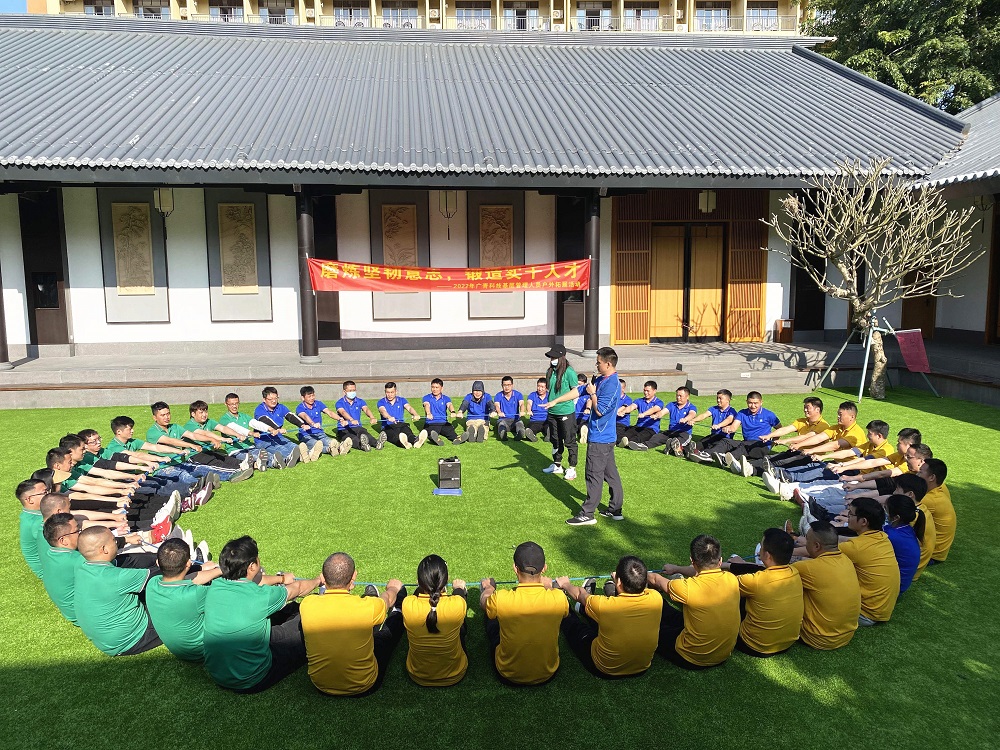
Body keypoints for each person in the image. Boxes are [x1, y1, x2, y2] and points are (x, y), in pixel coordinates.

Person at [203, 535, 321, 693]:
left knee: (292, 609)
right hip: (253, 678)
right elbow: (298, 588)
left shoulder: (215, 587)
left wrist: (281, 578)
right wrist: (319, 580)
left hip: (218, 674)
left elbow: (256, 581)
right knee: (309, 624)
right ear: (252, 566)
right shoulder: (261, 596)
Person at [300, 552, 406, 696]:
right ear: (354, 577)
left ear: (323, 578)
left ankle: (371, 597)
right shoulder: (368, 607)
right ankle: (398, 610)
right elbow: (387, 599)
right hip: (364, 685)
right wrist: (393, 588)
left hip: (320, 685)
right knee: (385, 636)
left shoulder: (307, 604)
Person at [545, 346, 623, 524]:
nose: (596, 365)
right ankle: (615, 509)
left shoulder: (612, 384)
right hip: (604, 438)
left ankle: (587, 513)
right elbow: (579, 391)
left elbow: (600, 410)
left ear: (608, 364)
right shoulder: (601, 379)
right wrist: (555, 401)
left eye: (598, 362)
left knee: (593, 474)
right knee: (611, 474)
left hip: (601, 438)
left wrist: (593, 393)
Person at [555, 555, 662, 678]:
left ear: (619, 582)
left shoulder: (606, 606)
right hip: (642, 668)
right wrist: (622, 579)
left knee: (576, 627)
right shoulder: (656, 598)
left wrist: (565, 584)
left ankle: (572, 606)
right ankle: (584, 609)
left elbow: (580, 594)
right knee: (608, 619)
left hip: (604, 669)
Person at [480, 541, 568, 686]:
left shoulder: (501, 598)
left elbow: (484, 602)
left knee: (491, 617)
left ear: (515, 568)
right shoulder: (558, 598)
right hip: (548, 673)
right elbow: (563, 611)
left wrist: (489, 588)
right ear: (544, 568)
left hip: (508, 674)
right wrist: (549, 587)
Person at [646, 534, 740, 669]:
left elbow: (656, 579)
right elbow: (698, 572)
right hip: (723, 655)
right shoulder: (732, 579)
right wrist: (676, 568)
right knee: (669, 611)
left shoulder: (687, 587)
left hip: (691, 658)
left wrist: (633, 574)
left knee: (650, 627)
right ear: (720, 561)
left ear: (692, 560)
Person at [74, 526, 163, 656]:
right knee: (175, 598)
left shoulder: (82, 565)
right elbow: (166, 573)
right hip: (133, 639)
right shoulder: (115, 577)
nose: (116, 542)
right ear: (104, 549)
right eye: (114, 540)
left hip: (107, 641)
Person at [724, 528, 803, 657]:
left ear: (767, 555)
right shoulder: (795, 572)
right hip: (787, 644)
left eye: (761, 547)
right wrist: (733, 565)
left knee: (728, 597)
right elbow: (759, 568)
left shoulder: (756, 581)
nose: (759, 550)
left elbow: (720, 585)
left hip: (753, 645)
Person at [145, 538, 224, 662]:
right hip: (205, 651)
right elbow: (228, 596)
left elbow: (188, 579)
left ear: (157, 563)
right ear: (188, 564)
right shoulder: (195, 594)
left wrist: (218, 570)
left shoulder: (152, 583)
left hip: (181, 651)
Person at [401, 554, 469, 687]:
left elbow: (416, 594)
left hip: (417, 676)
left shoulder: (407, 604)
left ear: (418, 581)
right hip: (455, 675)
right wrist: (459, 588)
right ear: (446, 580)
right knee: (460, 626)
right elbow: (460, 597)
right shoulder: (457, 604)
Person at [792, 521, 861, 650]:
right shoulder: (847, 560)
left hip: (817, 638)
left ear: (816, 546)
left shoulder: (809, 568)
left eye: (807, 540)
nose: (805, 543)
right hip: (846, 635)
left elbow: (777, 571)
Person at [148, 401, 254, 480]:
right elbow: (171, 441)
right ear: (154, 417)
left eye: (168, 414)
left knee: (216, 460)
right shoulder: (152, 432)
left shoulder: (175, 427)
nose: (166, 417)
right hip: (185, 458)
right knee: (205, 467)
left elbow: (194, 435)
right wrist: (193, 445)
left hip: (184, 459)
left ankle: (246, 465)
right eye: (163, 415)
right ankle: (235, 472)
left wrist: (236, 435)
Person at [730, 396, 829, 477]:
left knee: (780, 462)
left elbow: (807, 437)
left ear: (817, 409)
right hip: (796, 451)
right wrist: (769, 435)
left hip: (809, 456)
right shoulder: (802, 421)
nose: (805, 410)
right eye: (804, 407)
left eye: (808, 407)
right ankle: (744, 466)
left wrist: (785, 441)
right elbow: (785, 429)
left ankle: (752, 470)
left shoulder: (823, 425)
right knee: (769, 458)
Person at [838, 497, 899, 625]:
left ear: (863, 521)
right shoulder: (882, 538)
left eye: (851, 514)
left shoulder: (856, 548)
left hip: (864, 613)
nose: (848, 517)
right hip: (881, 611)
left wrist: (801, 545)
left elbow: (819, 551)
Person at [711, 392, 782, 474]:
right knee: (726, 441)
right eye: (750, 403)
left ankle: (725, 459)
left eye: (755, 403)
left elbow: (780, 429)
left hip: (761, 446)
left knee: (744, 446)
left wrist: (771, 444)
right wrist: (728, 428)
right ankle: (708, 455)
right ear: (746, 402)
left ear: (761, 402)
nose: (753, 406)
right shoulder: (742, 413)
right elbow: (733, 427)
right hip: (746, 444)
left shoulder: (769, 415)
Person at [40, 512, 86, 624]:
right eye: (77, 530)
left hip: (72, 612)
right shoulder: (76, 560)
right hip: (86, 616)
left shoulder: (50, 553)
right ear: (63, 540)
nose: (81, 533)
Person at [543, 344, 580, 478]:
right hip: (552, 412)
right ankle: (557, 464)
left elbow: (576, 391)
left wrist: (569, 406)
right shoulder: (550, 371)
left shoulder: (569, 372)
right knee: (555, 439)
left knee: (569, 440)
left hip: (566, 412)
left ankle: (572, 468)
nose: (552, 359)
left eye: (554, 357)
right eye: (551, 357)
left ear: (561, 357)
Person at [253, 387, 307, 468]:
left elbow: (290, 416)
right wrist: (277, 428)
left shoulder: (280, 407)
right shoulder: (259, 409)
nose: (274, 401)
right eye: (270, 399)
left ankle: (304, 454)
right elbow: (265, 420)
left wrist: (302, 424)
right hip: (264, 441)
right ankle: (289, 459)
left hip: (278, 437)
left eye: (276, 398)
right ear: (264, 399)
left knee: (293, 446)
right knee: (282, 449)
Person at [639, 386, 699, 455]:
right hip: (671, 431)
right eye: (677, 395)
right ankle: (643, 445)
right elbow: (662, 412)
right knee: (657, 437)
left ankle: (675, 448)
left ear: (687, 397)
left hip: (684, 433)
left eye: (680, 396)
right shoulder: (672, 405)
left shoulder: (691, 407)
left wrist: (685, 419)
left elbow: (692, 414)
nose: (678, 397)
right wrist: (656, 415)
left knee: (679, 442)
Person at [217, 392, 270, 470]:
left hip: (249, 447)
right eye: (231, 404)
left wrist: (270, 429)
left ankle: (275, 461)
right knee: (251, 457)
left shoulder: (243, 416)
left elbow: (255, 423)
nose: (234, 406)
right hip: (235, 450)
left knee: (266, 455)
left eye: (236, 403)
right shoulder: (224, 419)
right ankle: (258, 464)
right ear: (226, 404)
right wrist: (251, 433)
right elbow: (236, 428)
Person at [882, 495, 923, 595]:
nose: (883, 510)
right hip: (899, 584)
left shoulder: (892, 536)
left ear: (896, 517)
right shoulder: (905, 528)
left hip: (891, 588)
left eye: (885, 508)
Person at [684, 389, 739, 462]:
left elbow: (729, 419)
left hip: (724, 438)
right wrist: (693, 420)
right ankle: (683, 450)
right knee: (697, 445)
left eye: (720, 398)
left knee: (712, 448)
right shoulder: (714, 408)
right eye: (717, 398)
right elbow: (704, 415)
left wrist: (719, 425)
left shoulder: (732, 411)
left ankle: (703, 455)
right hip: (713, 436)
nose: (718, 400)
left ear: (727, 400)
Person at [919, 458, 955, 563]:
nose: (917, 475)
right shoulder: (938, 490)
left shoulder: (929, 500)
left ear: (932, 477)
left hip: (932, 554)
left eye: (920, 472)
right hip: (937, 551)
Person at [335, 380, 386, 451]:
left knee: (364, 434)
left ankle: (377, 443)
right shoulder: (339, 403)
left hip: (357, 426)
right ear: (344, 391)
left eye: (354, 390)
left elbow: (366, 409)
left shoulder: (360, 401)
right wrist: (351, 420)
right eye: (350, 391)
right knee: (352, 439)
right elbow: (343, 412)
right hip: (343, 429)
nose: (352, 392)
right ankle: (363, 446)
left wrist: (372, 417)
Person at [296, 386, 345, 458]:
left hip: (320, 433)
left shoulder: (318, 404)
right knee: (317, 445)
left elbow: (329, 412)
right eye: (309, 396)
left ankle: (339, 447)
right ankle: (330, 449)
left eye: (313, 395)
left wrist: (340, 419)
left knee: (331, 442)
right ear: (303, 398)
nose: (312, 398)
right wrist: (313, 424)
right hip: (306, 435)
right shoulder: (300, 407)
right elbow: (305, 416)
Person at [377, 381, 428, 449]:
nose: (390, 395)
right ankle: (404, 443)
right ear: (385, 392)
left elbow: (409, 408)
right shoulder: (381, 402)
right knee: (395, 437)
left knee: (409, 434)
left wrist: (415, 414)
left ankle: (416, 441)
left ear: (396, 392)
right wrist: (389, 417)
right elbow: (382, 411)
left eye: (392, 392)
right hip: (388, 426)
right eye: (387, 392)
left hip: (401, 424)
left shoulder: (402, 400)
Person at [16, 478, 48, 578]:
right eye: (45, 492)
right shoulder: (37, 522)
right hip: (50, 572)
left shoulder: (30, 515)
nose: (49, 495)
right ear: (29, 499)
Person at [617, 380, 663, 448]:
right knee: (623, 435)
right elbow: (631, 407)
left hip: (651, 429)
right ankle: (623, 442)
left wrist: (644, 414)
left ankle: (630, 443)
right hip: (638, 426)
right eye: (644, 390)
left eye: (648, 391)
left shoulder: (659, 402)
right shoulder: (639, 401)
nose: (645, 393)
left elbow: (654, 409)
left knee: (638, 437)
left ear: (654, 391)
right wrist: (623, 411)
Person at [423, 378, 461, 444]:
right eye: (433, 387)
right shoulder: (426, 397)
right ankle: (437, 440)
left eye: (437, 387)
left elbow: (449, 405)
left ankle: (456, 439)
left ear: (441, 388)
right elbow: (426, 405)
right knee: (432, 432)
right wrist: (428, 413)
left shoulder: (446, 398)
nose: (434, 389)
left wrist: (453, 412)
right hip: (431, 422)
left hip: (443, 422)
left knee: (450, 430)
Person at [494, 376, 527, 441]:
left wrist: (522, 411)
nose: (506, 387)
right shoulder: (498, 395)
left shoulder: (518, 394)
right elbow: (497, 405)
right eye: (504, 385)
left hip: (515, 419)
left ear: (512, 385)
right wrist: (499, 412)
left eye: (508, 385)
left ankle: (520, 434)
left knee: (519, 424)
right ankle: (503, 434)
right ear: (502, 385)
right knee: (501, 425)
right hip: (503, 419)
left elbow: (522, 404)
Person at [523, 378, 551, 444]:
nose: (540, 389)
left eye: (542, 387)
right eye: (538, 386)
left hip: (547, 420)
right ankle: (531, 435)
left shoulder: (550, 395)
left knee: (549, 427)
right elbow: (529, 404)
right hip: (535, 420)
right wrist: (529, 410)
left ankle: (549, 435)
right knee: (532, 428)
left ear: (546, 388)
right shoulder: (532, 395)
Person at [615, 379, 636, 444]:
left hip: (621, 424)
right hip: (611, 422)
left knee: (617, 433)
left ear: (623, 389)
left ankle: (620, 442)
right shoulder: (612, 398)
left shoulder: (628, 399)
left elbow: (623, 408)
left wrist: (614, 413)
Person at [574, 373, 591, 443]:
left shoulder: (587, 395)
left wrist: (588, 408)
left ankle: (583, 434)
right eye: (577, 384)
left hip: (583, 418)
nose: (578, 387)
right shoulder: (573, 394)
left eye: (580, 385)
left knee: (583, 425)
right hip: (572, 417)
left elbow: (589, 401)